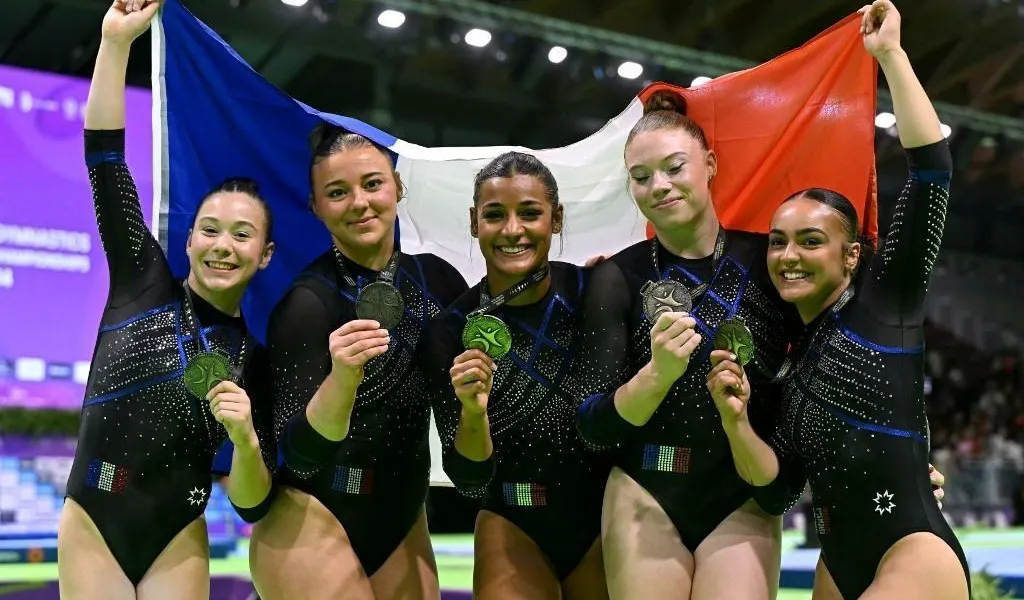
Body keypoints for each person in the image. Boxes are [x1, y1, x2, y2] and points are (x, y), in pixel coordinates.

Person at [706, 2, 970, 599]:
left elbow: (932, 170)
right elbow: (776, 489)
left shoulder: (886, 301)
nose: (788, 255)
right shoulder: (784, 362)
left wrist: (891, 57)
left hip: (911, 551)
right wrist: (737, 419)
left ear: (851, 256)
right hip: (836, 564)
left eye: (810, 241)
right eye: (777, 242)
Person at [58, 2, 278, 598]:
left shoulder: (257, 359)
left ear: (265, 255)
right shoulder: (142, 279)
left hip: (178, 532)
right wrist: (115, 43)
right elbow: (105, 158)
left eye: (242, 234)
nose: (222, 245)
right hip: (95, 519)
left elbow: (253, 504)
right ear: (188, 239)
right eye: (210, 229)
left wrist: (246, 440)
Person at [249, 123, 467, 600]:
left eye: (372, 183)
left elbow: (509, 340)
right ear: (316, 207)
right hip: (312, 516)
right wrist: (343, 379)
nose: (360, 202)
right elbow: (299, 452)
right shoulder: (307, 305)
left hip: (403, 516)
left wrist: (575, 283)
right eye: (337, 192)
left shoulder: (440, 282)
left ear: (397, 187)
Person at [421, 152, 608, 600]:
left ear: (556, 218)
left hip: (604, 519)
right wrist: (472, 412)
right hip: (511, 519)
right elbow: (468, 479)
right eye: (494, 215)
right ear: (473, 222)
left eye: (529, 213)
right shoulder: (448, 332)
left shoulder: (598, 292)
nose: (512, 230)